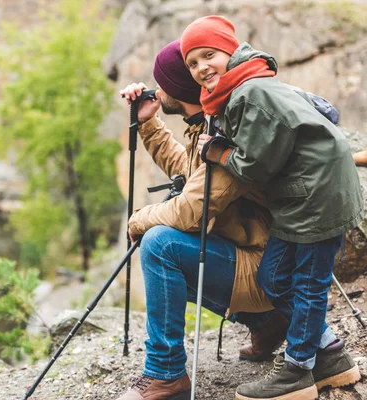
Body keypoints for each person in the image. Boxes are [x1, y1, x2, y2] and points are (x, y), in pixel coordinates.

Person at [180, 16, 363, 400]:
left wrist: (217, 151)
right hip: (298, 197)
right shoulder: (240, 88)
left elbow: (256, 165)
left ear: (230, 50)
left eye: (208, 55)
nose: (200, 69)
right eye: (192, 63)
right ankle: (329, 354)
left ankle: (298, 371)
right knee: (274, 278)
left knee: (309, 285)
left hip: (318, 194)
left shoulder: (251, 92)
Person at [115, 40, 287, 400]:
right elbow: (192, 174)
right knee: (165, 249)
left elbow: (193, 210)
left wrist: (140, 219)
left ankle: (166, 373)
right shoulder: (207, 121)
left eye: (161, 82)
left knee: (160, 245)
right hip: (256, 258)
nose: (156, 90)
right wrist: (149, 124)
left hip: (267, 268)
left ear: (179, 88)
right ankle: (266, 322)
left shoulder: (226, 130)